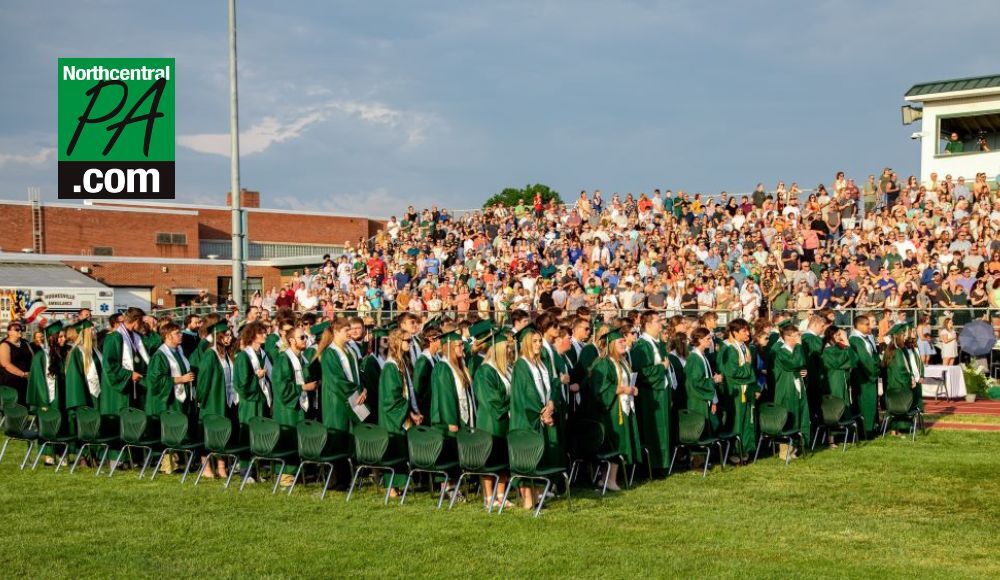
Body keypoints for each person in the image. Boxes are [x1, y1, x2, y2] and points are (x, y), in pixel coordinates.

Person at [509, 325, 560, 510]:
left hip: (542, 416)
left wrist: (552, 404)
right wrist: (542, 413)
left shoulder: (541, 363)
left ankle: (537, 497)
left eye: (539, 341)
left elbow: (552, 385)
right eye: (535, 341)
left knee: (541, 457)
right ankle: (528, 500)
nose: (538, 344)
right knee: (528, 458)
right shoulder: (521, 365)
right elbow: (525, 395)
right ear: (526, 343)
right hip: (527, 419)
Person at [589, 328, 641, 490]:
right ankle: (608, 480)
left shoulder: (622, 361)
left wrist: (632, 389)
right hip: (611, 410)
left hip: (623, 406)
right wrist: (624, 390)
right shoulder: (604, 362)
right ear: (611, 344)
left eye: (624, 341)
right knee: (615, 442)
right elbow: (602, 388)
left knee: (622, 441)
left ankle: (610, 479)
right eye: (620, 341)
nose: (624, 343)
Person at [270, 324, 317, 487]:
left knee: (298, 438)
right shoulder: (283, 358)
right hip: (287, 408)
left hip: (299, 404)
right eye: (302, 337)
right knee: (288, 438)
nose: (305, 340)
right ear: (291, 340)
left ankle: (297, 471)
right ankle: (284, 474)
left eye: (305, 337)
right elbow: (280, 386)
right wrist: (304, 387)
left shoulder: (301, 358)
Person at [472, 330, 513, 508]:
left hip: (505, 421)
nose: (511, 352)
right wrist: (512, 405)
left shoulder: (506, 369)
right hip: (491, 421)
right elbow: (491, 399)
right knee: (490, 459)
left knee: (503, 458)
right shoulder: (485, 371)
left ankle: (501, 495)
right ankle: (489, 497)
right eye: (508, 349)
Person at [378, 328, 420, 495]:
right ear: (397, 342)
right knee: (393, 449)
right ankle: (391, 488)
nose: (410, 343)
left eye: (410, 340)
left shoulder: (401, 363)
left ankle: (397, 486)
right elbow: (392, 398)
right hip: (392, 417)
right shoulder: (390, 368)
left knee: (399, 449)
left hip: (399, 414)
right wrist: (410, 413)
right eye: (406, 340)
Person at [195, 321, 238, 479]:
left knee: (222, 433)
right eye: (226, 335)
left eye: (229, 335)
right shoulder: (210, 354)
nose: (229, 338)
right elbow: (203, 380)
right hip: (212, 401)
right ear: (217, 337)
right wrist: (201, 399)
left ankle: (221, 466)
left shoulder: (226, 354)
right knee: (209, 433)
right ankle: (206, 467)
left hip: (226, 400)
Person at [631, 311, 672, 474]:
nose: (661, 324)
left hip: (662, 392)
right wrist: (661, 368)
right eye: (657, 321)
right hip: (651, 396)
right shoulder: (642, 346)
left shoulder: (658, 343)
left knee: (663, 428)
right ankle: (653, 466)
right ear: (647, 325)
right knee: (654, 429)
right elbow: (642, 372)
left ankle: (663, 463)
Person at [318, 318, 367, 455]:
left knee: (353, 435)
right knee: (338, 437)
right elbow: (336, 380)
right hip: (337, 401)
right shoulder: (329, 353)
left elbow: (358, 375)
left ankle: (353, 471)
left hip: (354, 398)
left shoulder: (350, 350)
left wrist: (364, 389)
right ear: (336, 331)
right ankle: (335, 475)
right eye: (346, 330)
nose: (350, 332)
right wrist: (357, 391)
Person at [232, 321, 272, 478]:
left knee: (259, 435)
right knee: (248, 434)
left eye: (265, 332)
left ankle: (256, 469)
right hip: (249, 402)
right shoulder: (243, 356)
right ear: (252, 336)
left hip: (261, 400)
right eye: (261, 332)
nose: (265, 335)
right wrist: (257, 377)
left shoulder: (262, 354)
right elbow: (241, 384)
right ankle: (245, 471)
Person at [26, 322, 68, 465]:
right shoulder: (41, 356)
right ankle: (49, 456)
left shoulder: (63, 354)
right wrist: (43, 401)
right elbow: (37, 380)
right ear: (52, 338)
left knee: (62, 424)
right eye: (60, 337)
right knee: (48, 424)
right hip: (48, 398)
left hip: (61, 397)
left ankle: (62, 454)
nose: (64, 339)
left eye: (64, 337)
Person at [63, 320, 102, 466]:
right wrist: (80, 402)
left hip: (97, 396)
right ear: (84, 333)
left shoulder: (96, 351)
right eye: (91, 329)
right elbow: (74, 380)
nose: (94, 331)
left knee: (96, 426)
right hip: (85, 397)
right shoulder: (76, 353)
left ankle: (96, 456)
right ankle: (84, 456)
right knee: (85, 425)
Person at [718, 318, 757, 462]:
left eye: (748, 330)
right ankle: (734, 453)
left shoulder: (743, 346)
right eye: (744, 331)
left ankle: (744, 451)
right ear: (734, 332)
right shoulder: (728, 348)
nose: (748, 334)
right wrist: (747, 366)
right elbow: (732, 372)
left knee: (747, 421)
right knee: (737, 422)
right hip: (735, 391)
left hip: (745, 389)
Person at [100, 307, 149, 417]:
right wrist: (129, 374)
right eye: (142, 321)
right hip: (122, 386)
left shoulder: (137, 336)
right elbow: (109, 364)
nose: (143, 324)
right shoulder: (114, 338)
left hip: (136, 384)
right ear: (136, 321)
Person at [772, 323, 808, 461]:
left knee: (797, 415)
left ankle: (794, 448)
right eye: (796, 335)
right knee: (787, 417)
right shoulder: (781, 351)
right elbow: (793, 363)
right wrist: (799, 346)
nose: (799, 338)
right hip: (785, 389)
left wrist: (802, 371)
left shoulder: (795, 350)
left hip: (796, 387)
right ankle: (784, 450)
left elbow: (800, 363)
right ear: (788, 337)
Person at [883, 323, 923, 433]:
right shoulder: (897, 351)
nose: (905, 337)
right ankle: (897, 429)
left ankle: (897, 430)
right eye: (903, 335)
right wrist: (910, 379)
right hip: (898, 383)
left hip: (894, 382)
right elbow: (901, 369)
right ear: (899, 336)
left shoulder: (893, 349)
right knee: (899, 407)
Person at [821, 326, 856, 448]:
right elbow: (839, 362)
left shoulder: (837, 348)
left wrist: (846, 345)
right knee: (834, 407)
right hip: (833, 381)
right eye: (836, 335)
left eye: (839, 335)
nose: (839, 337)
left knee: (843, 405)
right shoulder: (828, 350)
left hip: (841, 381)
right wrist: (846, 344)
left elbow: (853, 360)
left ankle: (842, 436)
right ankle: (831, 439)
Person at [848, 315, 880, 437]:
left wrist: (877, 364)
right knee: (865, 403)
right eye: (866, 324)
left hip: (867, 376)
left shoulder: (864, 338)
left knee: (870, 402)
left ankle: (870, 427)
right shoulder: (856, 340)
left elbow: (873, 357)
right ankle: (865, 431)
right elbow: (865, 360)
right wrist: (875, 371)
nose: (869, 326)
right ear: (859, 325)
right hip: (863, 377)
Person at [359, 328, 388, 424]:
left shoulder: (387, 358)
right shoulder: (371, 360)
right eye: (384, 339)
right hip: (376, 402)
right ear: (377, 341)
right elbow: (373, 386)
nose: (387, 341)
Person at [0, 321, 33, 405]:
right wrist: (23, 374)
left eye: (21, 329)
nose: (20, 331)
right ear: (9, 332)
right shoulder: (4, 345)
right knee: (14, 407)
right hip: (11, 383)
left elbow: (33, 357)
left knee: (26, 406)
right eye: (17, 329)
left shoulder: (25, 343)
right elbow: (6, 364)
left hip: (26, 381)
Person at [412, 327, 441, 418]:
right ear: (431, 339)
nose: (442, 340)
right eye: (440, 338)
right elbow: (417, 388)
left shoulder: (436, 357)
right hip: (427, 409)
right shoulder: (423, 361)